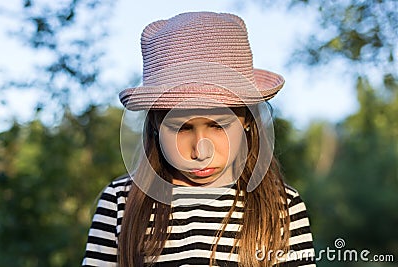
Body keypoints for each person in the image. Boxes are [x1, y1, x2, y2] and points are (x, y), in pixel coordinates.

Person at [82, 12, 316, 267]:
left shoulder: (282, 208)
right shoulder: (121, 203)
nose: (200, 151)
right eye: (181, 128)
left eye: (218, 126)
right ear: (156, 127)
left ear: (247, 120)